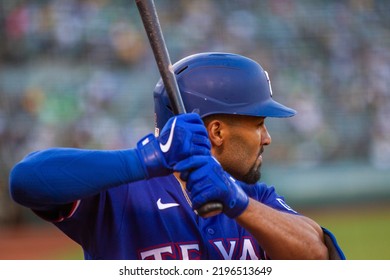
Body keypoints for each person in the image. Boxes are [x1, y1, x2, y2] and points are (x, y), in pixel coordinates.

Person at [9, 52, 345, 260]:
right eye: (258, 124)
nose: (267, 138)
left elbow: (318, 257)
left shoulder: (256, 200)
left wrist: (237, 203)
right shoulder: (123, 197)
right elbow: (26, 181)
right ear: (216, 132)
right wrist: (146, 158)